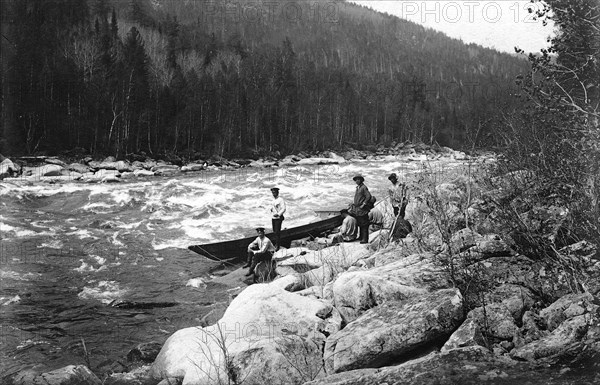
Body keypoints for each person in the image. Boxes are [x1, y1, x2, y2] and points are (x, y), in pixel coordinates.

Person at [350, 175, 372, 244]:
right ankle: (361, 236)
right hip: (358, 209)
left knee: (364, 224)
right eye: (356, 180)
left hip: (362, 209)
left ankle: (365, 239)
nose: (357, 181)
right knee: (360, 223)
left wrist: (364, 204)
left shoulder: (363, 187)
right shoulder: (358, 188)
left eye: (358, 179)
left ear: (361, 180)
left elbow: (368, 196)